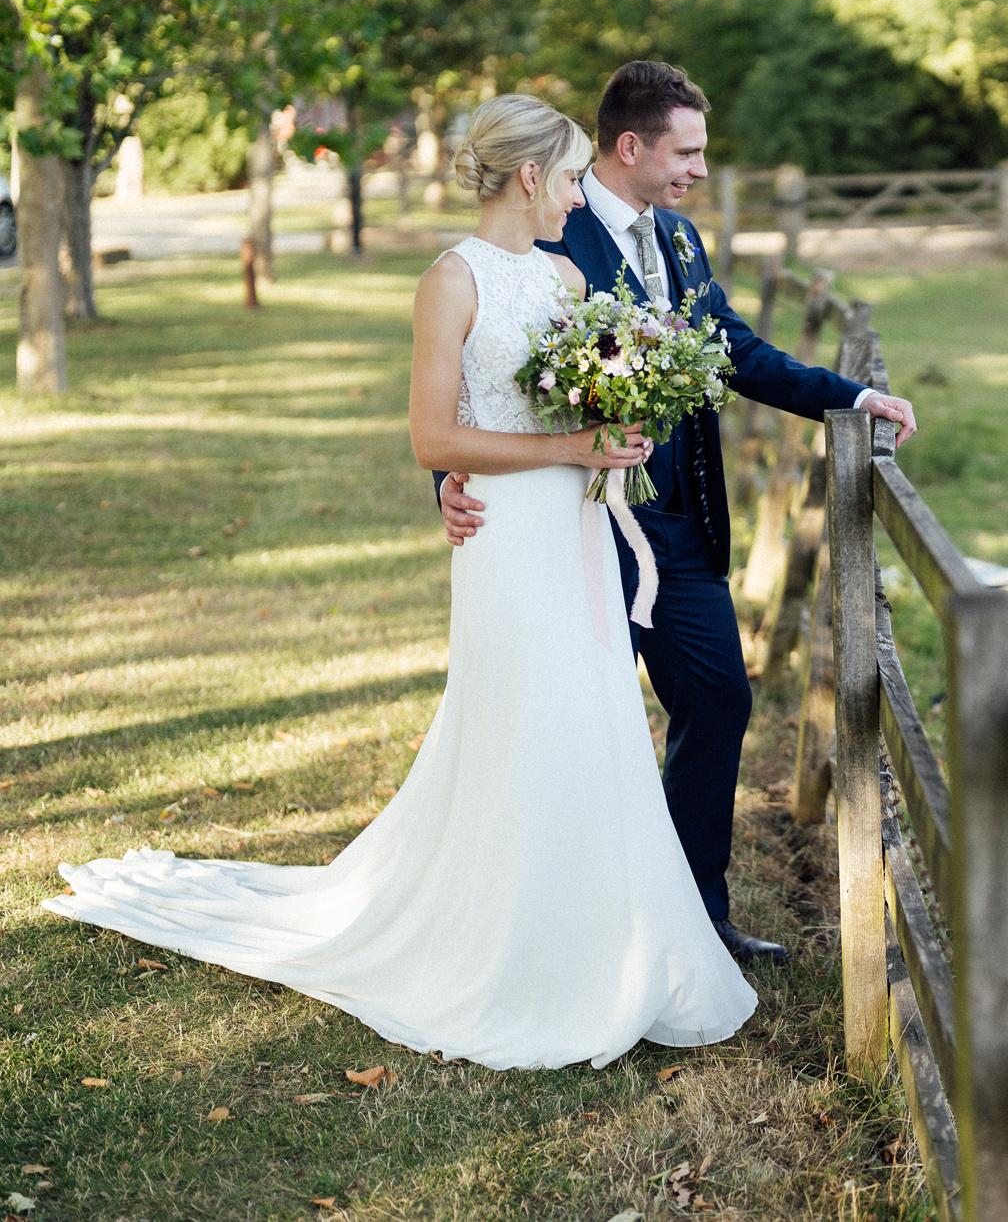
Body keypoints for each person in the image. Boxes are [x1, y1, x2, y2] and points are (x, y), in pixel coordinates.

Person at [43, 94, 758, 1070]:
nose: (575, 200)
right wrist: (569, 443)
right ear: (528, 177)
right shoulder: (450, 281)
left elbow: (595, 390)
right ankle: (515, 953)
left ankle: (609, 943)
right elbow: (435, 435)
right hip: (507, 538)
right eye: (568, 177)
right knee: (526, 722)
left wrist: (617, 431)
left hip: (581, 530)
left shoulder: (559, 275)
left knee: (592, 723)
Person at [438, 62, 916, 965]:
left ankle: (694, 911)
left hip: (682, 518)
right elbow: (485, 363)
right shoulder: (555, 234)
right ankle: (565, 913)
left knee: (718, 696)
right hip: (577, 518)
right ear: (632, 146)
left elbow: (735, 349)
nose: (699, 166)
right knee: (581, 719)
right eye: (686, 149)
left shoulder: (683, 241)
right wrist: (450, 480)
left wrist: (850, 397)